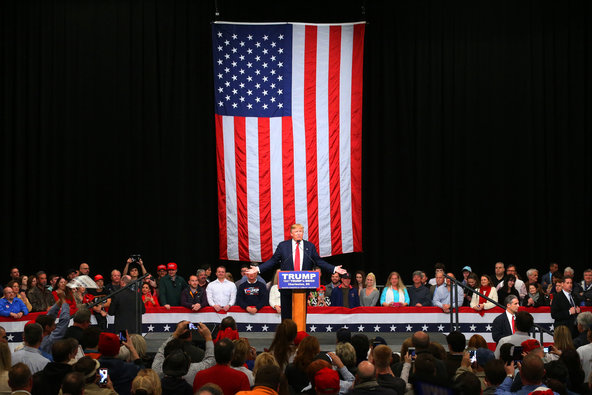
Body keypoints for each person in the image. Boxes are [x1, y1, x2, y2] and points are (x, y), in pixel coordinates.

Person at [250, 223, 346, 320]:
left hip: (303, 287)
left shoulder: (310, 246)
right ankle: (287, 333)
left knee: (301, 315)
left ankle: (301, 333)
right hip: (286, 286)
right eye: (296, 232)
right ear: (291, 233)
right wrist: (258, 269)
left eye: (301, 231)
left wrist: (334, 269)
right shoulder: (283, 246)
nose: (299, 234)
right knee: (286, 315)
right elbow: (273, 261)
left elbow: (319, 261)